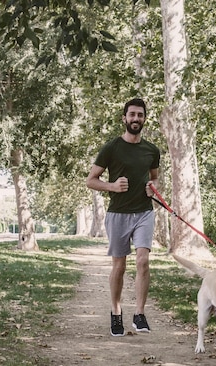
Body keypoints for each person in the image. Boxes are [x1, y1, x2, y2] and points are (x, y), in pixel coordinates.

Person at [85, 98, 161, 336]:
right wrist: (112, 186)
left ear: (144, 119)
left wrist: (153, 187)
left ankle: (139, 314)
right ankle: (116, 313)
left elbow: (155, 178)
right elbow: (90, 181)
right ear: (124, 118)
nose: (136, 119)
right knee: (119, 266)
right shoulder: (112, 148)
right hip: (118, 214)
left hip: (144, 213)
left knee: (143, 261)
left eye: (140, 115)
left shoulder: (152, 150)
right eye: (132, 115)